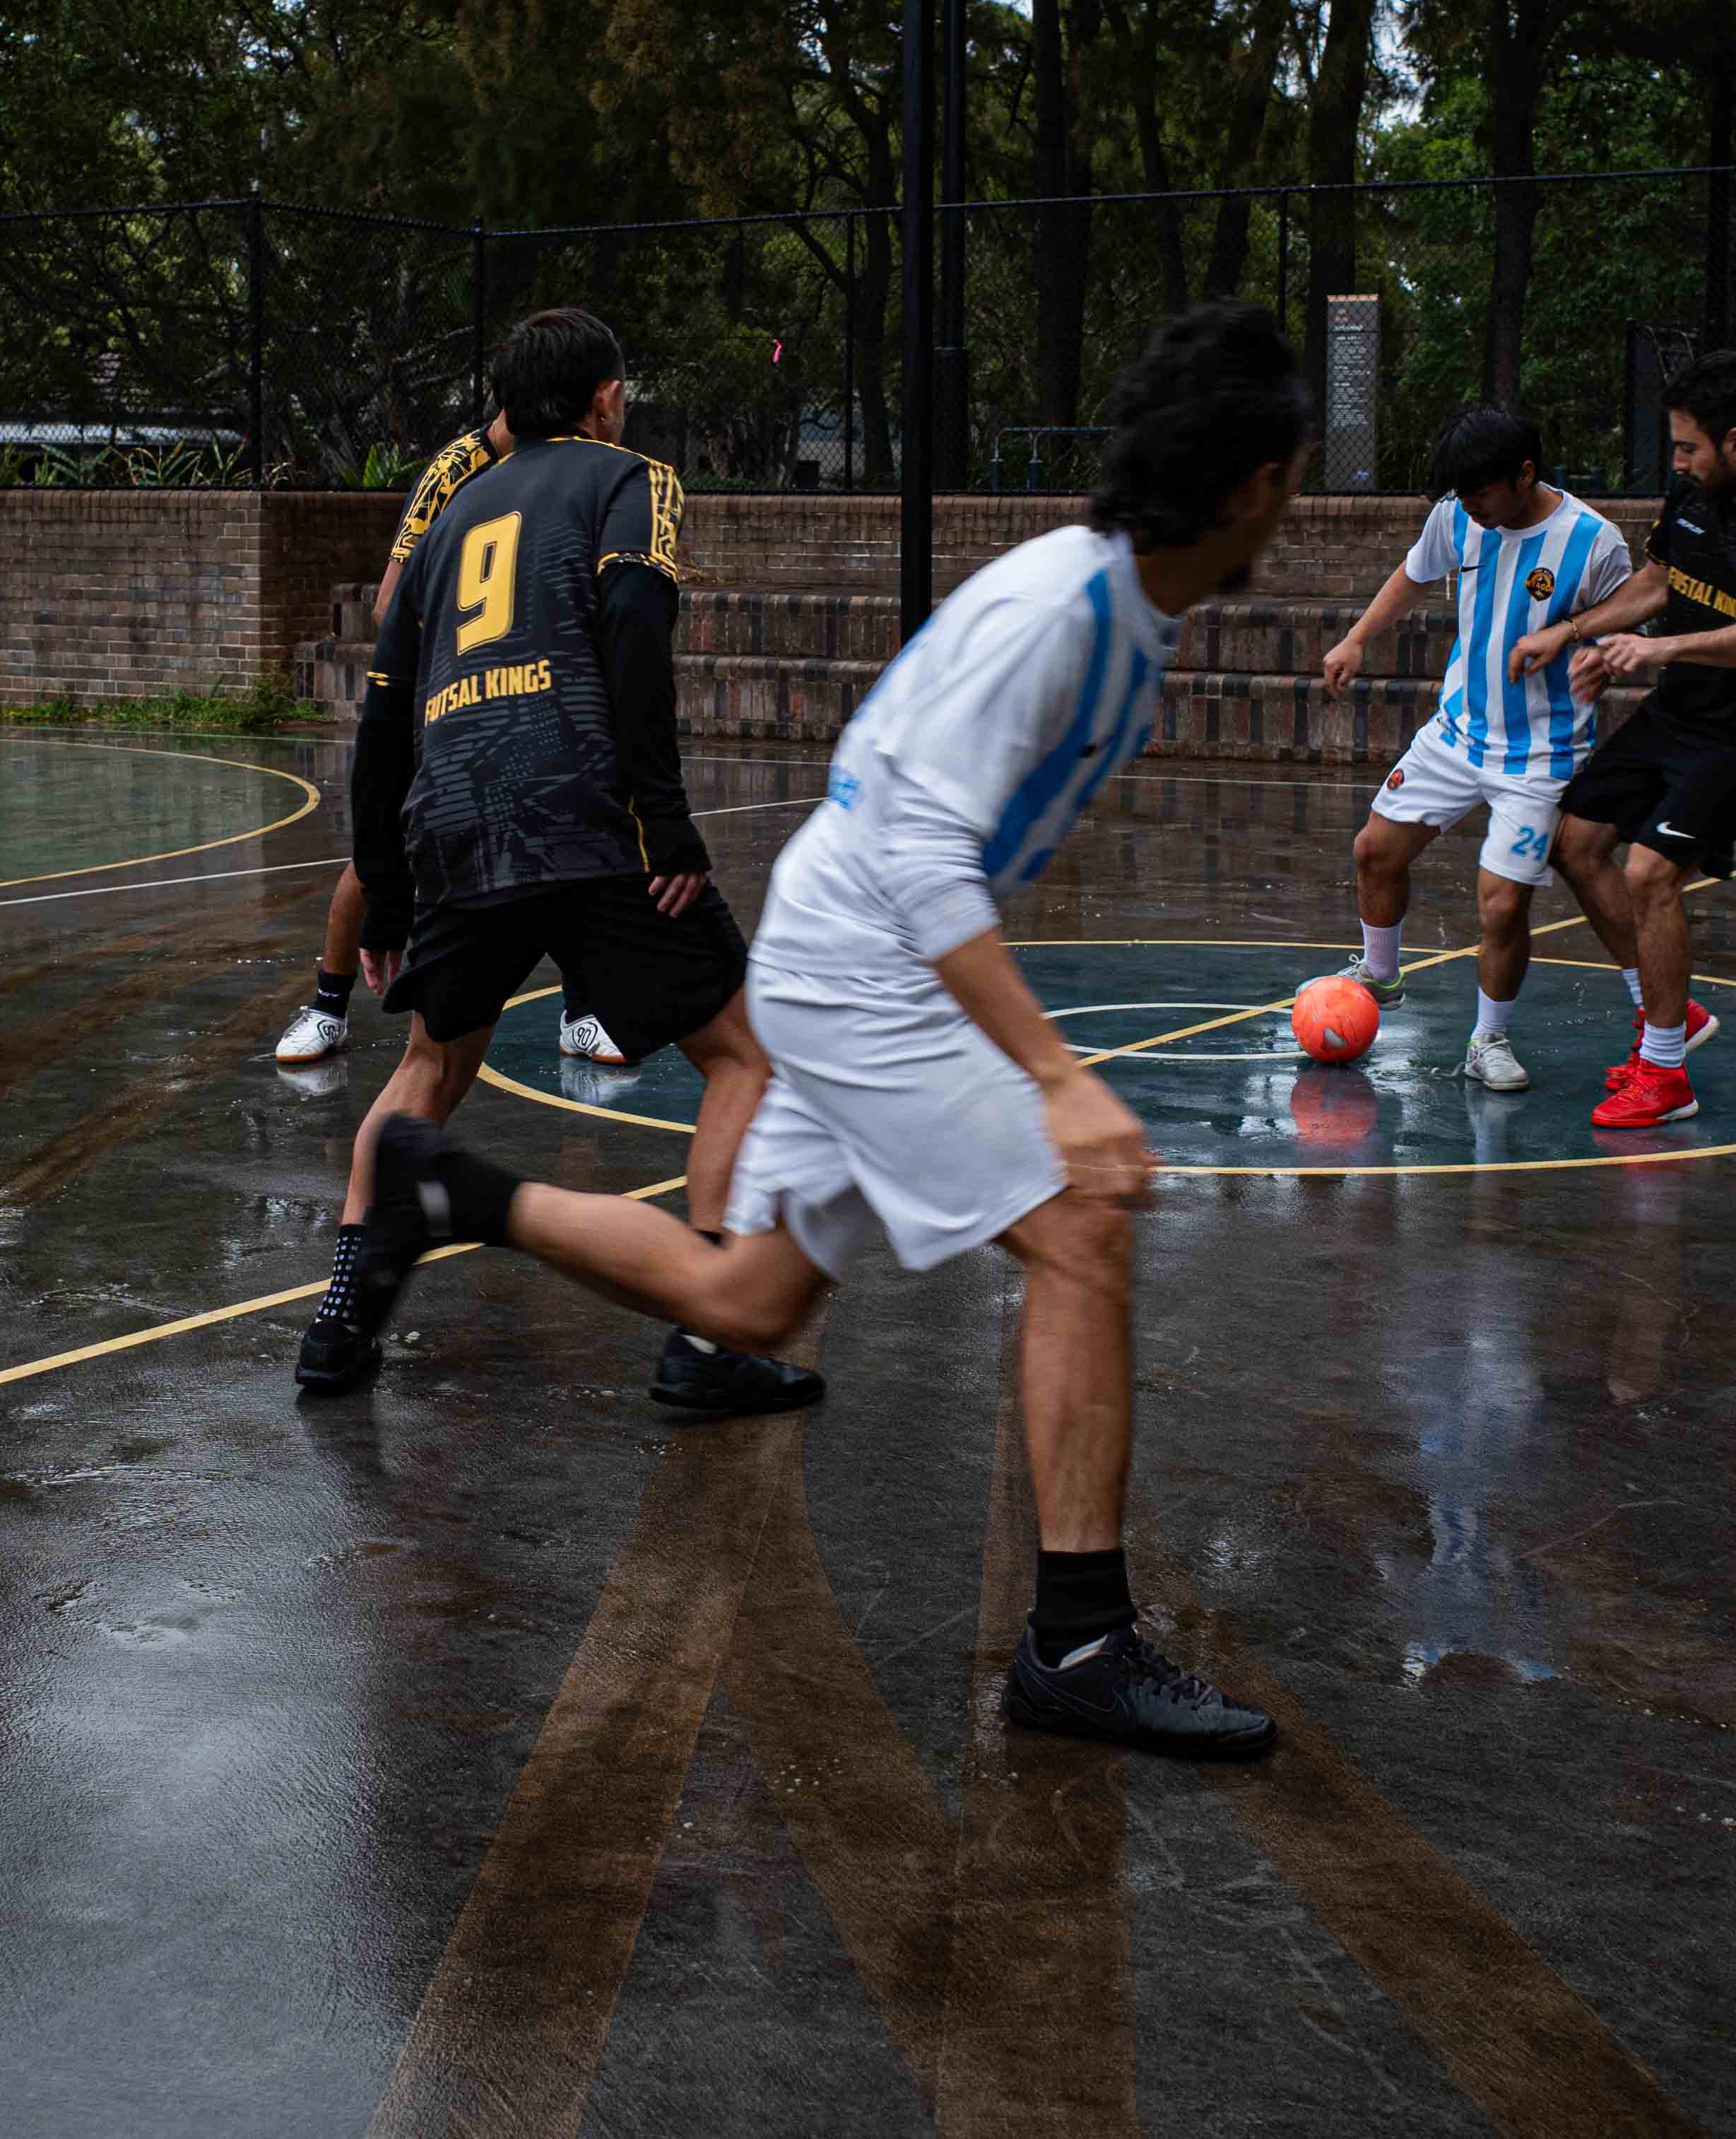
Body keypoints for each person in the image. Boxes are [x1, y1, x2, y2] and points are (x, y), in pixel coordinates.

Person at [346, 303, 1309, 1757]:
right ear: (1252, 485)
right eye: (1291, 485)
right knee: (1080, 1230)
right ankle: (1078, 1639)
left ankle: (451, 1192)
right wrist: (1057, 1078)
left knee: (745, 1304)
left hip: (835, 953)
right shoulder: (1064, 609)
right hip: (865, 967)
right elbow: (920, 858)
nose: (1291, 510)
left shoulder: (1123, 607)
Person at [295, 309, 811, 1419]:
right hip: (584, 814)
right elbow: (631, 624)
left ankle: (337, 1323)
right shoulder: (633, 480)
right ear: (606, 398)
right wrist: (662, 820)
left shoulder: (448, 521)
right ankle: (709, 1331)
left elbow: (383, 712)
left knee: (430, 1068)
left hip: (459, 817)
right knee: (743, 1056)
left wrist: (384, 884)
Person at [1516, 350, 1736, 1131]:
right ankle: (1668, 1014)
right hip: (1680, 709)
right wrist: (1573, 632)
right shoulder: (1694, 495)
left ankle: (1664, 1076)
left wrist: (1659, 650)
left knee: (1651, 873)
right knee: (1574, 843)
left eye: (1689, 447)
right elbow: (1656, 583)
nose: (1678, 461)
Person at [275, 408, 623, 1071]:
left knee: (559, 835)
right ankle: (327, 1006)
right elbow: (389, 604)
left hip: (528, 690)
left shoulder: (570, 466)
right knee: (381, 850)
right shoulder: (458, 469)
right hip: (447, 694)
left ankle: (581, 1010)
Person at [1316, 406, 1632, 1092]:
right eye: (1459, 495)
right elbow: (1412, 574)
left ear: (1525, 474)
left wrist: (1600, 654)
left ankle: (1488, 1039)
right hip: (1457, 733)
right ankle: (1382, 974)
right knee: (1375, 850)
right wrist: (1357, 638)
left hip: (1541, 755)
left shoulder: (1594, 542)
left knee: (1501, 905)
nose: (1468, 507)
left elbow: (1628, 621)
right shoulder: (1457, 516)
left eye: (1479, 493)